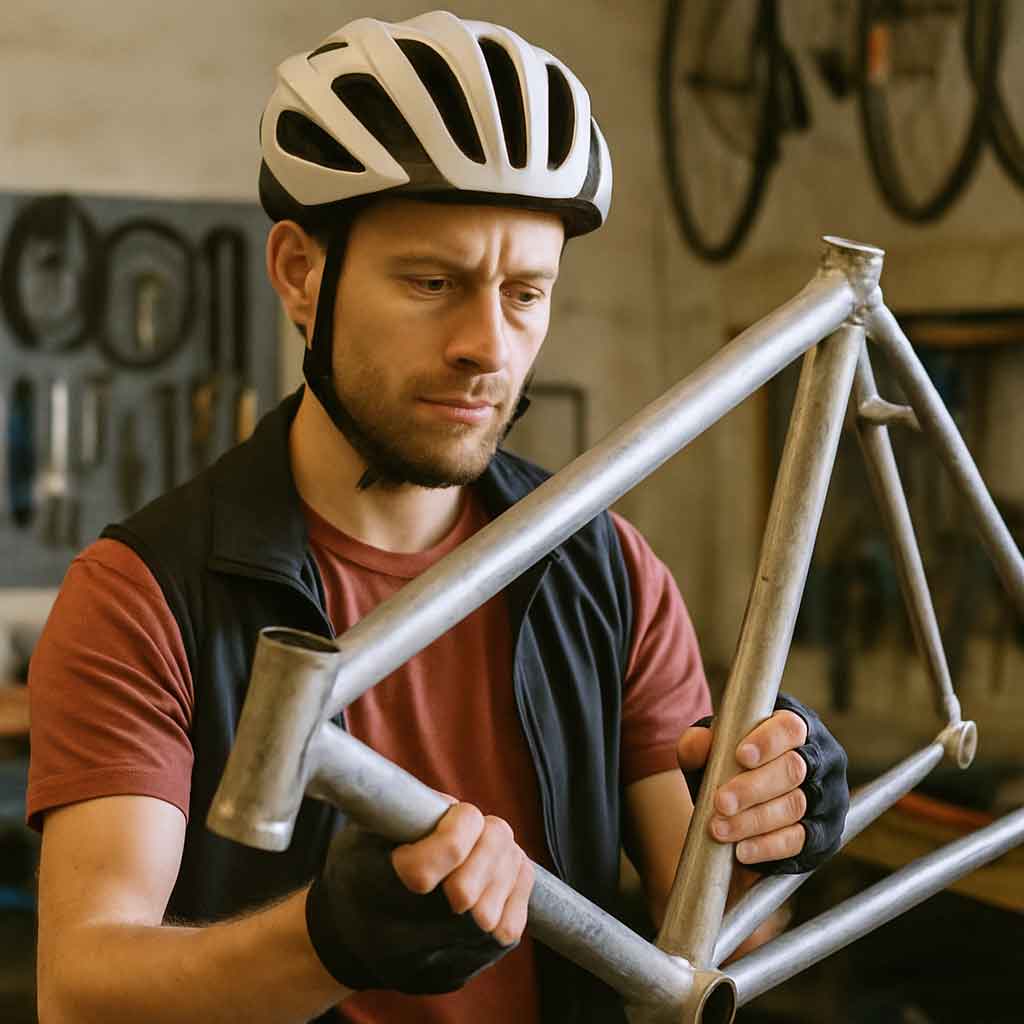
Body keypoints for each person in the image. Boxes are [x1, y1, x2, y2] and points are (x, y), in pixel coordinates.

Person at [27, 11, 848, 1024]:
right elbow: (82, 990)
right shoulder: (145, 595)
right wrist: (325, 942)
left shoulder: (607, 569)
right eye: (432, 282)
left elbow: (716, 933)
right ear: (300, 273)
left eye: (525, 292)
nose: (486, 346)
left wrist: (776, 828)